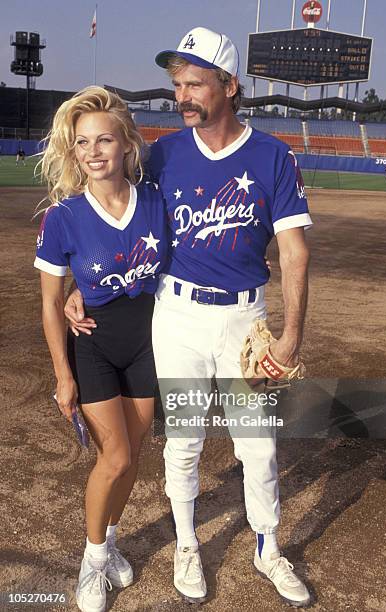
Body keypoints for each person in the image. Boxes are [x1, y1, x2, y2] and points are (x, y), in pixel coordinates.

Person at [65, 28, 312, 608]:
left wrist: (292, 337)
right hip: (175, 317)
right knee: (183, 441)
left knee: (259, 443)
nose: (183, 96)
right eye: (178, 84)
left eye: (195, 83)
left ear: (230, 85)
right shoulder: (162, 154)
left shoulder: (273, 155)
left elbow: (295, 250)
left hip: (245, 320)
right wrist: (82, 281)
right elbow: (115, 213)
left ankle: (267, 546)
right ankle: (185, 544)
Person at [35, 86, 167, 612]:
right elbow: (49, 306)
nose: (94, 151)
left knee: (133, 457)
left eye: (104, 139)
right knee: (112, 457)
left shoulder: (155, 200)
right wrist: (62, 376)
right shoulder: (63, 218)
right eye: (83, 143)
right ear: (74, 152)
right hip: (92, 345)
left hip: (146, 342)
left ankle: (109, 544)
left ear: (127, 143)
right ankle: (91, 562)